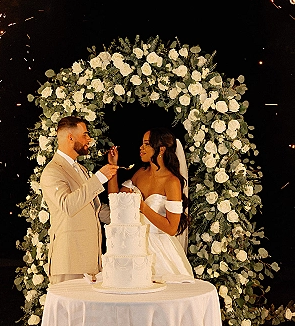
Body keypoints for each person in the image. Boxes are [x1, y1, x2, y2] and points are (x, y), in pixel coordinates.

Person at [107, 127, 193, 282]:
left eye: (146, 144)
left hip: (160, 250)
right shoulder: (141, 173)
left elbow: (172, 228)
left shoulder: (172, 181)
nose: (141, 147)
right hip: (134, 246)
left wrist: (143, 208)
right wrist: (113, 167)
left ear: (161, 149)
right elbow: (117, 200)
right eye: (142, 143)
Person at [40, 116, 118, 284]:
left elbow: (95, 209)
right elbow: (68, 205)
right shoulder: (52, 171)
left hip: (90, 262)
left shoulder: (80, 169)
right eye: (85, 134)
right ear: (70, 137)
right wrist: (98, 178)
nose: (89, 139)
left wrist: (128, 217)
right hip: (69, 261)